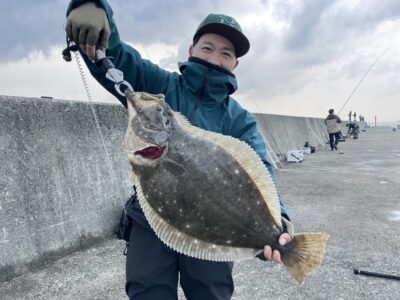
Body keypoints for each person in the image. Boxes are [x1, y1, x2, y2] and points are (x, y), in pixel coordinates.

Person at [65, 1, 293, 299]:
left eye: (227, 53)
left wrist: (278, 223)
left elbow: (260, 169)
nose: (215, 57)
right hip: (151, 216)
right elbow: (116, 57)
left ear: (235, 64)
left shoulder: (239, 119)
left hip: (211, 226)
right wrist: (92, 5)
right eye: (207, 47)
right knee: (147, 292)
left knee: (211, 294)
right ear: (191, 50)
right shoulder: (160, 86)